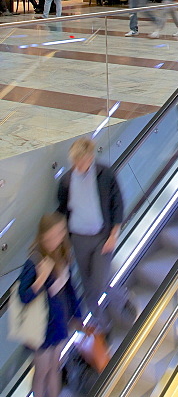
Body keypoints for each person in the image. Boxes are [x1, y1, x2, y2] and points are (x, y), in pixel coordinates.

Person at [57, 138, 134, 333]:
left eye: (81, 160)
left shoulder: (104, 174)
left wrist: (114, 234)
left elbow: (117, 203)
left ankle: (121, 299)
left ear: (90, 157)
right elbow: (63, 210)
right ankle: (101, 325)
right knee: (87, 284)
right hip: (79, 239)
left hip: (102, 236)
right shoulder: (66, 181)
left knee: (98, 283)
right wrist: (64, 242)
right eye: (75, 161)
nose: (78, 165)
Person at [18, 213, 81, 397]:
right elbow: (23, 296)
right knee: (41, 375)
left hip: (59, 323)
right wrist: (40, 279)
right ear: (42, 236)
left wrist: (77, 314)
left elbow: (69, 288)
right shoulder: (34, 261)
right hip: (40, 330)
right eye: (52, 235)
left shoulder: (63, 254)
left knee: (55, 368)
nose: (57, 238)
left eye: (60, 233)